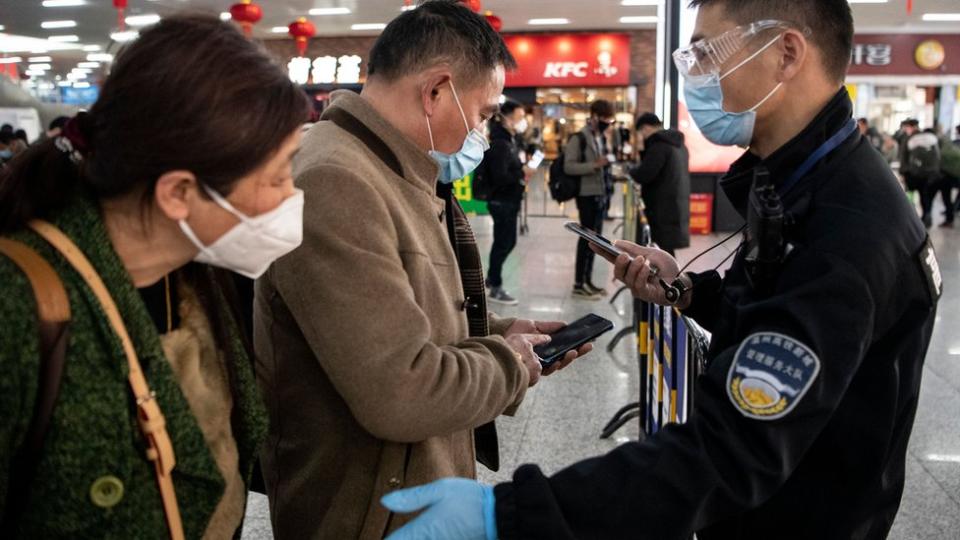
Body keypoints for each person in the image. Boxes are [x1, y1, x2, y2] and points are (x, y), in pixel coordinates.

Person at [381, 0, 940, 538]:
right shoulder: (798, 183)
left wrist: (514, 515)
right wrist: (688, 291)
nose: (694, 74)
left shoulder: (849, 227)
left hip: (801, 515)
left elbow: (734, 449)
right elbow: (781, 313)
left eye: (706, 53)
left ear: (787, 54)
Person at [253, 2, 590, 539]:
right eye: (482, 113)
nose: (482, 132)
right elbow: (400, 390)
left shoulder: (394, 169)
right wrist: (511, 364)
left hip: (407, 488)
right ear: (436, 91)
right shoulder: (335, 181)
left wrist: (501, 333)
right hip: (368, 510)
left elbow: (404, 311)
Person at [0, 15, 309, 539]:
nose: (292, 195)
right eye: (278, 175)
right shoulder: (20, 303)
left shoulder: (195, 273)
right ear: (178, 194)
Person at [565, 99, 616, 299]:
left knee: (597, 242)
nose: (607, 122)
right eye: (604, 118)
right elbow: (569, 166)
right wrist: (595, 165)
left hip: (601, 194)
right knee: (587, 239)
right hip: (586, 195)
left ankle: (588, 280)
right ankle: (579, 283)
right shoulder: (580, 138)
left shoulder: (601, 137)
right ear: (594, 116)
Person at [482, 100, 531, 305]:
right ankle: (495, 285)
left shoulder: (511, 140)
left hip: (510, 198)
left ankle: (491, 278)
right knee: (504, 242)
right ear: (505, 117)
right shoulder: (500, 144)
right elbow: (499, 176)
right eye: (518, 118)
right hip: (501, 200)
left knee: (506, 242)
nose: (521, 123)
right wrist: (522, 173)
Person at [629, 112, 691, 256]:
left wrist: (631, 169)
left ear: (644, 128)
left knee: (661, 253)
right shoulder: (678, 145)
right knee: (666, 251)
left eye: (640, 133)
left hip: (661, 208)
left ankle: (669, 279)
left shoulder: (659, 146)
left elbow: (644, 175)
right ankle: (671, 278)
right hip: (674, 204)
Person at [899, 120, 942, 228]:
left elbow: (903, 157)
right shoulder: (930, 137)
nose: (905, 129)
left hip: (912, 174)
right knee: (925, 196)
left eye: (906, 127)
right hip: (930, 174)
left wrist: (903, 173)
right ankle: (927, 216)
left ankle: (909, 218)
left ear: (911, 127)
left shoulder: (908, 139)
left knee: (909, 196)